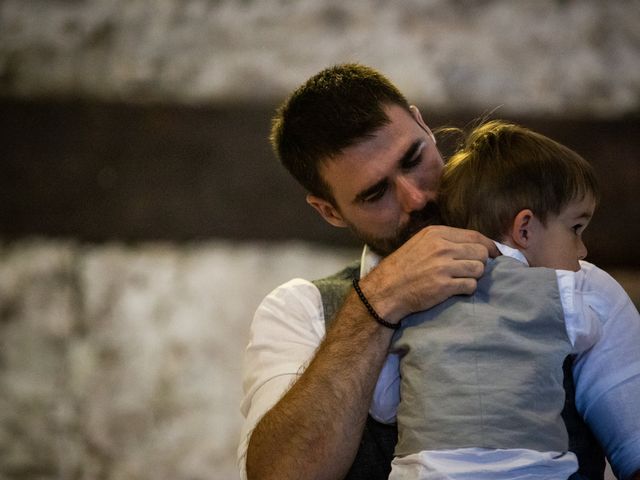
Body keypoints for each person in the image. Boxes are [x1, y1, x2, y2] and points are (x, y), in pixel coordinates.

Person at [237, 63, 638, 480]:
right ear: (330, 211)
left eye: (414, 159)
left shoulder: (575, 286)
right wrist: (380, 300)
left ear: (424, 125)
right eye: (376, 193)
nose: (415, 197)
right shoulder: (301, 310)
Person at [373, 120, 640, 479]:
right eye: (575, 228)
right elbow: (592, 329)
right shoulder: (567, 291)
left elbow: (385, 404)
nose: (583, 249)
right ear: (524, 228)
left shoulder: (413, 299)